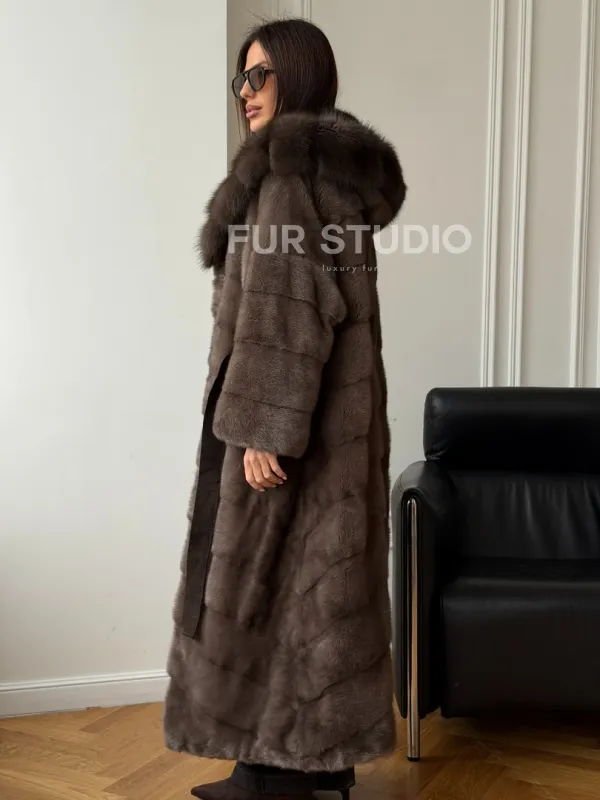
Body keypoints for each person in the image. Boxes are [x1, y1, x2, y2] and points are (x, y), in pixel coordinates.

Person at [162, 17, 407, 800]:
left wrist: (262, 430)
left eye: (260, 74)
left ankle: (271, 777)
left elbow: (286, 312)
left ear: (298, 77)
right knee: (319, 596)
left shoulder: (287, 182)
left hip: (284, 432)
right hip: (333, 431)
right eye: (241, 76)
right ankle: (323, 764)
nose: (245, 91)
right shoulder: (330, 180)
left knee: (264, 594)